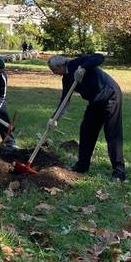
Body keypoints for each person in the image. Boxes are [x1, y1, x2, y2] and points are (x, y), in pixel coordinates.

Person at [47, 54, 126, 182]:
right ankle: (82, 166)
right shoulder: (66, 79)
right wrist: (54, 118)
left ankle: (119, 172)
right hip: (95, 101)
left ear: (60, 65)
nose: (54, 73)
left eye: (54, 70)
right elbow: (64, 101)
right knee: (86, 131)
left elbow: (99, 57)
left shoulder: (77, 63)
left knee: (112, 133)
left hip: (110, 95)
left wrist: (83, 68)